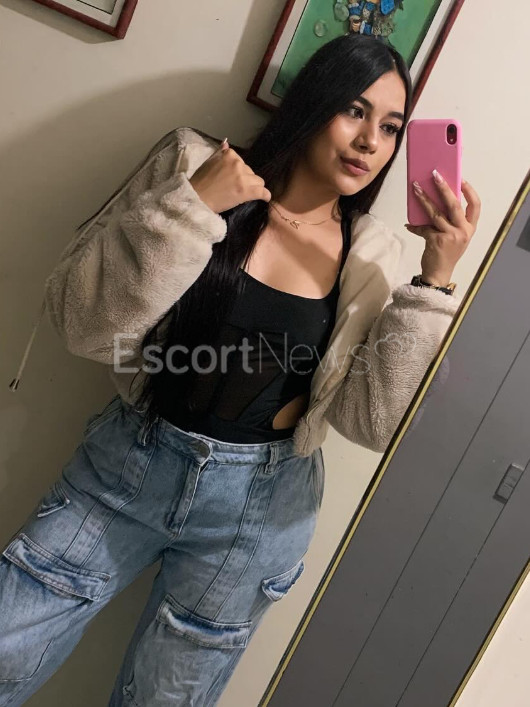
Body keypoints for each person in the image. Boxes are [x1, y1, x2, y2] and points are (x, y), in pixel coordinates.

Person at [0, 33, 480, 706]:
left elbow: (372, 424)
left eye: (392, 127)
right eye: (354, 110)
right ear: (313, 102)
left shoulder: (372, 253)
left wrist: (435, 281)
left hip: (259, 508)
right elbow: (85, 326)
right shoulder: (195, 165)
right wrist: (193, 206)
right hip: (129, 464)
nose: (370, 141)